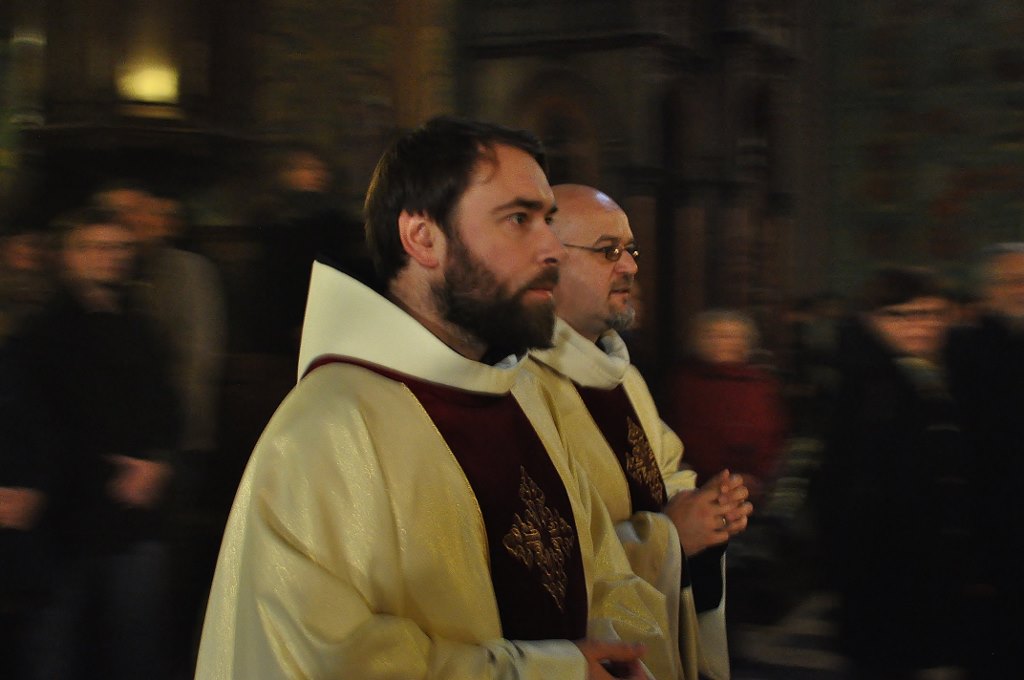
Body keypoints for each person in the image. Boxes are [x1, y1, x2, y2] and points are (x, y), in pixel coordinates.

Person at [195, 117, 680, 680]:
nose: (551, 247)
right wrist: (554, 673)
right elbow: (323, 661)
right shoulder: (326, 429)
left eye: (548, 220)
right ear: (423, 237)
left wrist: (621, 657)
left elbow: (604, 573)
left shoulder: (524, 395)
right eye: (519, 219)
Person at [525, 185, 753, 680]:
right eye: (608, 251)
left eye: (630, 250)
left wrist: (706, 508)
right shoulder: (518, 387)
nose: (629, 266)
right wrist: (671, 537)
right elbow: (540, 563)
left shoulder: (623, 376)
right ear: (546, 263)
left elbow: (666, 470)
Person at [25, 207, 179, 679]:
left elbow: (167, 403)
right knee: (57, 645)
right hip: (67, 516)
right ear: (70, 256)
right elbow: (41, 420)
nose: (112, 257)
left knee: (138, 644)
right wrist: (113, 469)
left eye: (121, 247)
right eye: (98, 247)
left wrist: (157, 463)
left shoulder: (141, 324)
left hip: (135, 513)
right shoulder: (43, 333)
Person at [816, 266, 973, 679]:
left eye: (932, 313)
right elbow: (840, 479)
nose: (921, 325)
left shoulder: (936, 372)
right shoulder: (864, 381)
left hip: (925, 553)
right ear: (874, 318)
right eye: (903, 314)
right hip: (881, 559)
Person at [945, 243, 1024, 676]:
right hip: (987, 515)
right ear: (989, 290)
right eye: (1011, 281)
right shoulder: (963, 347)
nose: (1021, 290)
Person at [665, 310, 787, 505]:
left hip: (750, 488)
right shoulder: (683, 383)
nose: (721, 342)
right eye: (712, 335)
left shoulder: (761, 385)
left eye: (730, 336)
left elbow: (774, 435)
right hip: (691, 488)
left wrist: (756, 477)